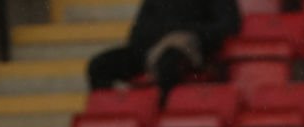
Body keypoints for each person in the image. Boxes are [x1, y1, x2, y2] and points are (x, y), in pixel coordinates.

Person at [87, 0, 241, 104]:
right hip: (149, 50)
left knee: (168, 62)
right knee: (99, 66)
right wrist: (161, 40)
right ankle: (117, 111)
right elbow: (137, 32)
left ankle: (162, 119)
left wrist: (185, 34)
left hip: (189, 50)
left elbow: (229, 25)